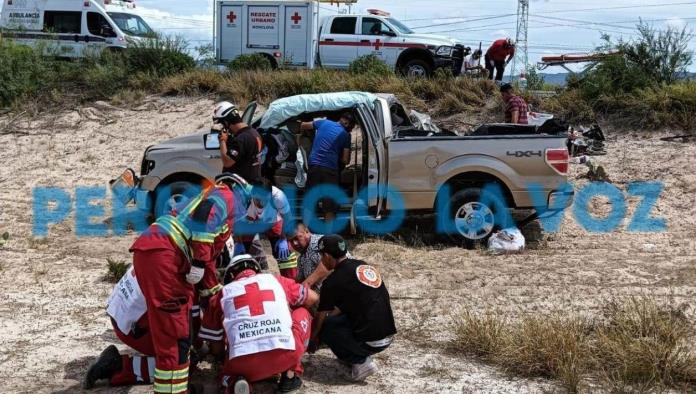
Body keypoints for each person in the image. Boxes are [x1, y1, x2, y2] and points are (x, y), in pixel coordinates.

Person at [84, 181, 237, 393]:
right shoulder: (179, 263)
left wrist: (200, 343)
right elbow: (189, 321)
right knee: (176, 348)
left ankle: (119, 367)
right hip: (137, 326)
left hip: (127, 317)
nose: (215, 265)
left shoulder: (170, 248)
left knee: (181, 347)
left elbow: (191, 315)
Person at [199, 254, 319, 394]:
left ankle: (234, 382)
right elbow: (313, 297)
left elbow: (216, 346)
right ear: (256, 269)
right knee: (302, 312)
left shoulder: (221, 294)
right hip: (284, 355)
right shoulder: (276, 281)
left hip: (243, 363)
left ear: (231, 275)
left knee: (228, 373)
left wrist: (222, 357)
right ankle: (290, 375)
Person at [308, 235, 396, 382]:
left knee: (326, 326)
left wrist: (313, 339)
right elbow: (350, 304)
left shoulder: (332, 282)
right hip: (388, 336)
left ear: (328, 256)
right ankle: (354, 354)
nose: (322, 260)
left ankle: (360, 362)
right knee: (339, 319)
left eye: (322, 256)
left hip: (371, 342)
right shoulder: (363, 265)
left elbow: (321, 317)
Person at [298, 113, 355, 221]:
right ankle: (328, 234)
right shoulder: (345, 135)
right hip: (330, 170)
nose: (350, 131)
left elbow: (302, 126)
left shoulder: (323, 123)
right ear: (346, 123)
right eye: (351, 128)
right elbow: (345, 160)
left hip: (313, 167)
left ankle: (306, 232)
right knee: (330, 205)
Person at [234, 182, 297, 277]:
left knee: (285, 252)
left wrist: (283, 239)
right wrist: (239, 242)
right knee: (241, 253)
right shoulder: (243, 197)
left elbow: (287, 217)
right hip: (250, 221)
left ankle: (290, 281)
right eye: (258, 200)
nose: (261, 204)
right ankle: (242, 277)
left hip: (272, 221)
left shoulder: (278, 197)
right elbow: (237, 223)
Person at [214, 101, 263, 185]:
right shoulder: (254, 132)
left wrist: (222, 141)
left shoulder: (241, 139)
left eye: (222, 123)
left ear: (226, 122)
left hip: (239, 188)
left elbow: (227, 162)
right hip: (252, 182)